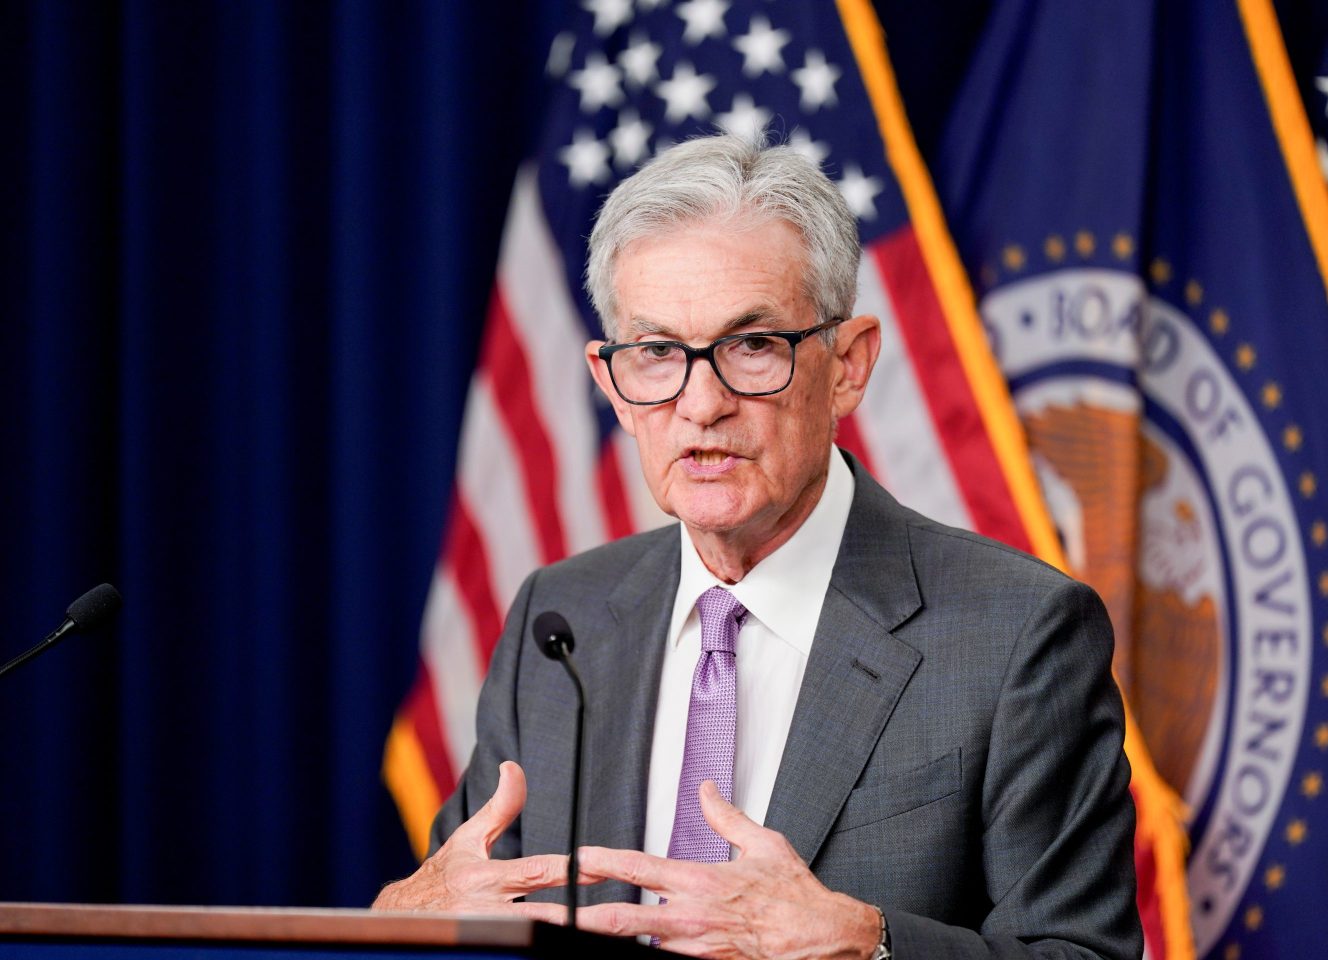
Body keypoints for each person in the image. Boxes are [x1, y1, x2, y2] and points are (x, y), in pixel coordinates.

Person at [374, 133, 1141, 960]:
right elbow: (469, 905)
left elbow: (1083, 953)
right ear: (612, 384)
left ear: (848, 365)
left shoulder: (1016, 634)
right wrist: (404, 920)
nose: (701, 404)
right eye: (659, 352)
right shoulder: (560, 620)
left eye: (751, 346)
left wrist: (870, 946)